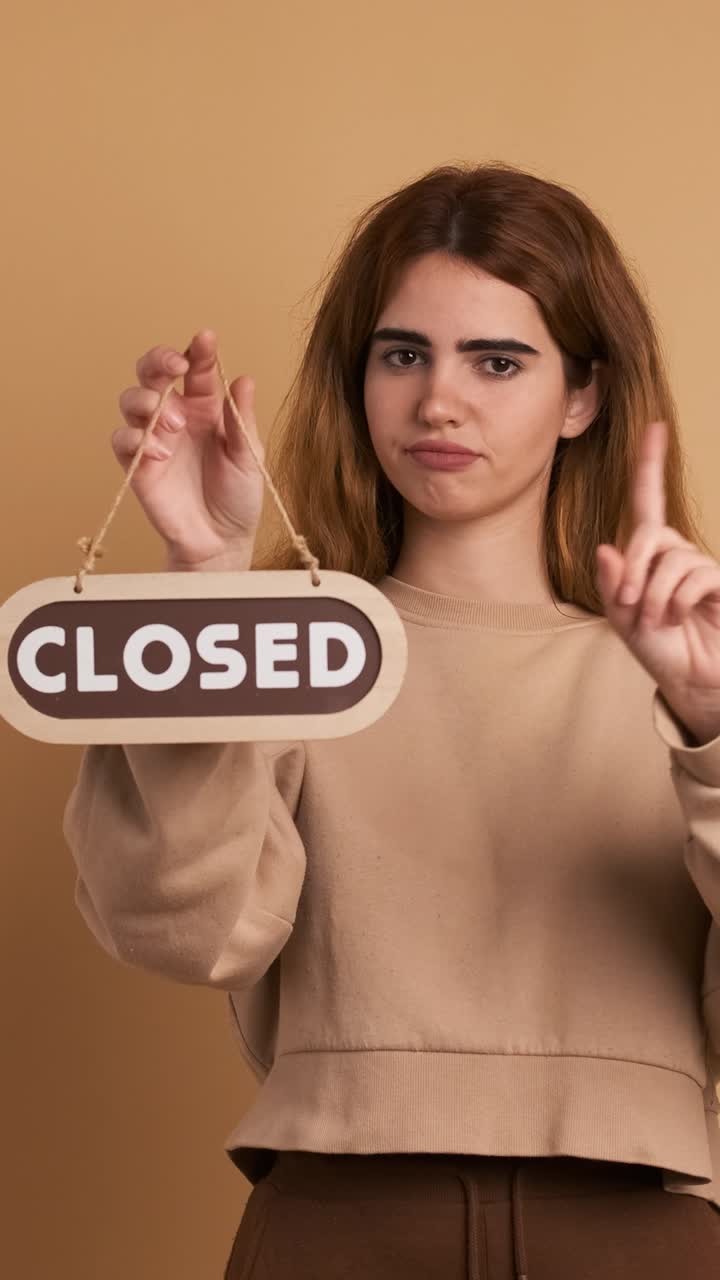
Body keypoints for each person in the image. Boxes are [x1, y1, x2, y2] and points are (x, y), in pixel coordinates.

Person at [62, 162, 720, 1278]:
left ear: (583, 395)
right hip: (339, 1217)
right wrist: (208, 587)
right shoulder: (290, 651)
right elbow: (183, 929)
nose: (437, 402)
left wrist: (710, 736)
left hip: (636, 1225)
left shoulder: (690, 664)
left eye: (497, 360)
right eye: (402, 353)